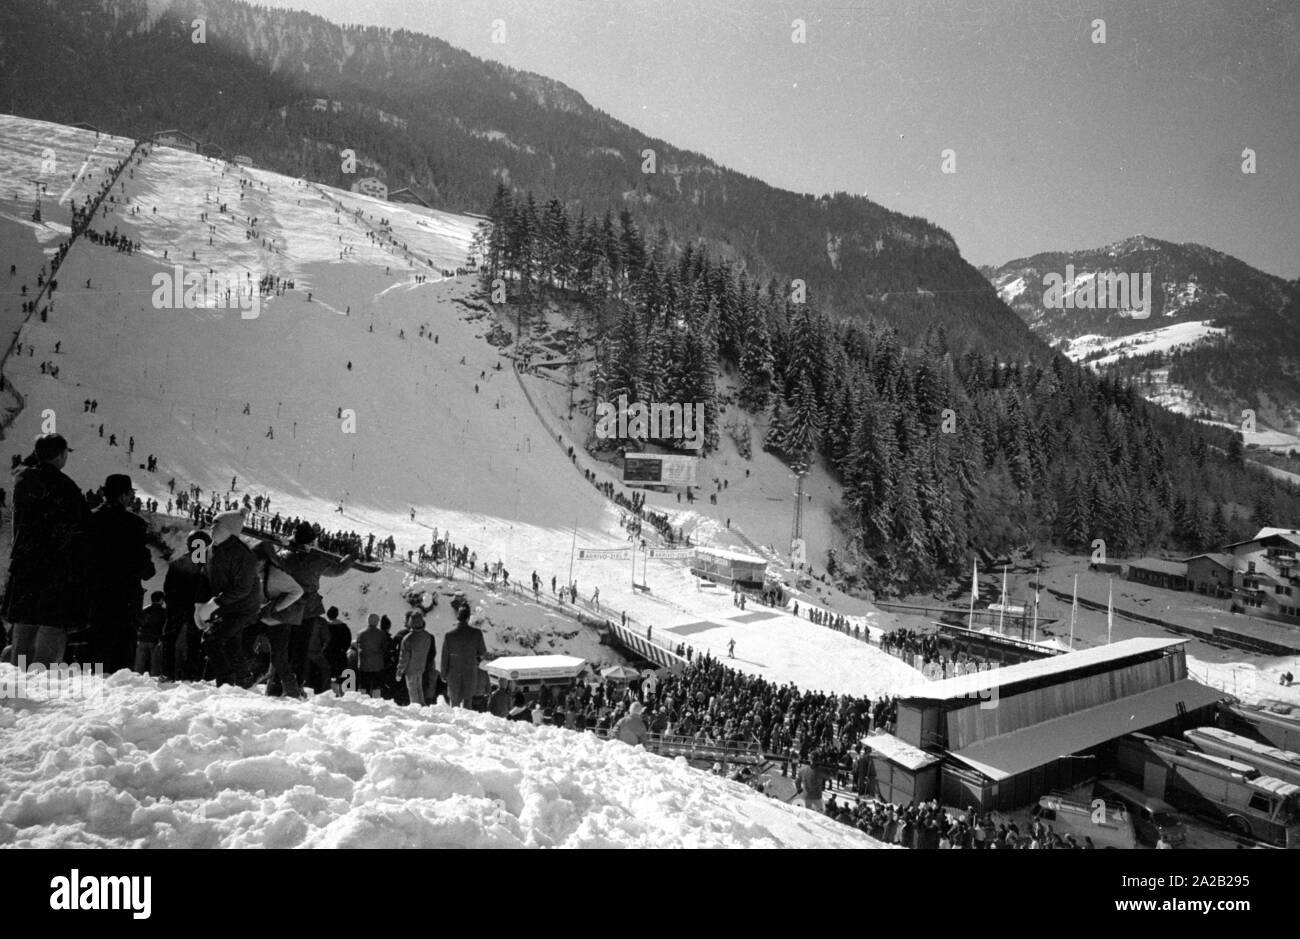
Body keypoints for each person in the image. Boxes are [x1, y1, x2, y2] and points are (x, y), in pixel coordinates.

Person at [3, 434, 90, 667]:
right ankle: (43, 680)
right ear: (61, 455)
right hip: (55, 567)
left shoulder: (23, 481)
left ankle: (16, 676)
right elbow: (82, 529)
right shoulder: (66, 487)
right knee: (51, 627)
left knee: (24, 624)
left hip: (24, 563)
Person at [88, 474, 155, 672]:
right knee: (122, 654)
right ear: (124, 495)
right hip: (125, 596)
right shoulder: (134, 524)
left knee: (97, 648)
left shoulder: (90, 519)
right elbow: (145, 569)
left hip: (96, 594)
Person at [278, 522, 355, 687]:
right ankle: (294, 686)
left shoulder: (283, 555)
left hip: (283, 605)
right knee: (300, 650)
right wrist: (349, 559)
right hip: (307, 608)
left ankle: (276, 684)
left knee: (283, 649)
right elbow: (337, 570)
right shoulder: (315, 560)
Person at [203, 511, 262, 686]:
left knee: (212, 641)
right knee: (231, 642)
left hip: (243, 607)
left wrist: (214, 603)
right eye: (212, 524)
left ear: (230, 530)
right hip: (226, 604)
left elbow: (242, 589)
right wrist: (201, 604)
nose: (212, 528)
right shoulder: (209, 549)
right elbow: (205, 576)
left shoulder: (244, 555)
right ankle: (243, 679)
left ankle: (226, 681)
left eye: (218, 525)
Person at [252, 540, 305, 698]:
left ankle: (293, 693)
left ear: (262, 561)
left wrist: (276, 607)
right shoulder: (260, 573)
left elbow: (297, 591)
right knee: (270, 656)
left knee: (279, 659)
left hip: (278, 623)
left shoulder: (275, 574)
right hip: (264, 619)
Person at [163, 529, 211, 679]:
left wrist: (171, 606)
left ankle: (167, 673)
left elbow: (168, 588)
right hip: (198, 608)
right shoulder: (208, 566)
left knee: (169, 639)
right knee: (195, 642)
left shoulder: (178, 562)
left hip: (176, 607)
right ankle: (191, 675)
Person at [440, 604, 487, 707]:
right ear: (469, 617)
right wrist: (476, 660)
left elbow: (445, 657)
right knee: (467, 703)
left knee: (454, 703)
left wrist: (443, 674)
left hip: (453, 673)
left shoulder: (449, 635)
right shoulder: (476, 633)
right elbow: (483, 652)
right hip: (470, 672)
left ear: (458, 616)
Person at [396, 611, 433, 706]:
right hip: (421, 667)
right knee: (419, 690)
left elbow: (403, 658)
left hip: (410, 669)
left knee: (413, 692)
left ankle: (417, 711)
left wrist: (399, 672)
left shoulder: (407, 639)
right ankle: (423, 707)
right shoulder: (428, 636)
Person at [356, 613, 388, 696]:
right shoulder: (381, 634)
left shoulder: (360, 633)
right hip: (378, 664)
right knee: (376, 685)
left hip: (364, 664)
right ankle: (376, 700)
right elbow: (384, 648)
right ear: (377, 622)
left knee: (363, 685)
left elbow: (358, 647)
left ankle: (363, 700)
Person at [135, 591, 166, 675]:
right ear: (161, 599)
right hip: (155, 639)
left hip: (143, 638)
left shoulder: (145, 610)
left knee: (139, 664)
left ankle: (98, 679)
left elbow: (139, 622)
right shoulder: (163, 612)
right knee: (155, 665)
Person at [324, 606, 352, 693]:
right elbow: (348, 641)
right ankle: (341, 693)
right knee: (340, 674)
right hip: (340, 654)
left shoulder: (325, 627)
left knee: (330, 675)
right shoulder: (344, 627)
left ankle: (332, 692)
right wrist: (343, 650)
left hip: (328, 654)